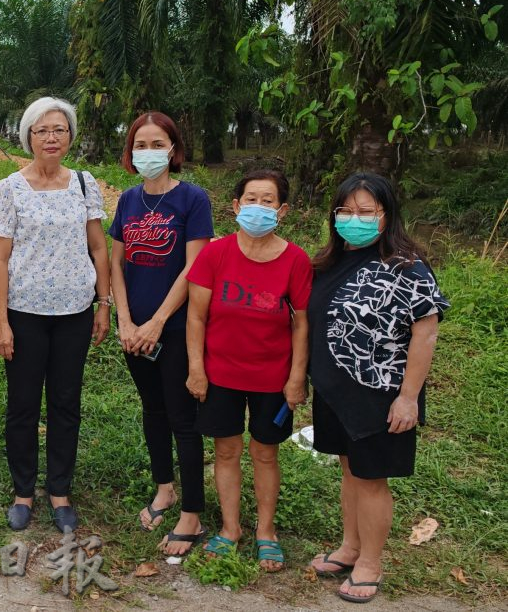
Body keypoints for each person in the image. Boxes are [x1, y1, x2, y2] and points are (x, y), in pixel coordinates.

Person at [306, 172, 448, 603]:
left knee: (371, 479)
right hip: (335, 390)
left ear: (386, 217)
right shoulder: (329, 262)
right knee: (350, 470)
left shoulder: (407, 267)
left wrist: (408, 398)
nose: (355, 219)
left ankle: (371, 562)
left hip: (381, 394)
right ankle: (351, 547)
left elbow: (425, 334)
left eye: (366, 212)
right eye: (346, 211)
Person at [0, 96, 111, 533]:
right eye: (42, 131)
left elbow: (99, 246)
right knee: (22, 404)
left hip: (75, 312)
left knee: (65, 403)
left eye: (59, 129)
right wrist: (1, 321)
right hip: (24, 314)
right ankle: (23, 491)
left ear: (70, 136)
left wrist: (103, 303)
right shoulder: (9, 188)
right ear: (28, 137)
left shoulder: (83, 183)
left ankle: (60, 490)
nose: (52, 138)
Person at [185, 169, 312, 571]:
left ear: (283, 210)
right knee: (225, 451)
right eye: (251, 200)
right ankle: (230, 528)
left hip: (272, 378)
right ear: (236, 206)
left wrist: (296, 378)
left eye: (268, 200)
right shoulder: (215, 254)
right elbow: (196, 318)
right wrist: (196, 369)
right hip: (220, 373)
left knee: (265, 454)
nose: (259, 207)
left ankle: (266, 532)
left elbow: (301, 323)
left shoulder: (296, 260)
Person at [108, 111, 213, 556]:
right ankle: (164, 489)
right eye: (141, 144)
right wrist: (126, 321)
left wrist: (156, 323)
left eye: (157, 144)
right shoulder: (128, 201)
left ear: (174, 149)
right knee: (152, 410)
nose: (148, 152)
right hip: (135, 330)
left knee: (182, 419)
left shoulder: (193, 200)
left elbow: (195, 267)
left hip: (175, 328)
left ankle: (192, 513)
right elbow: (115, 263)